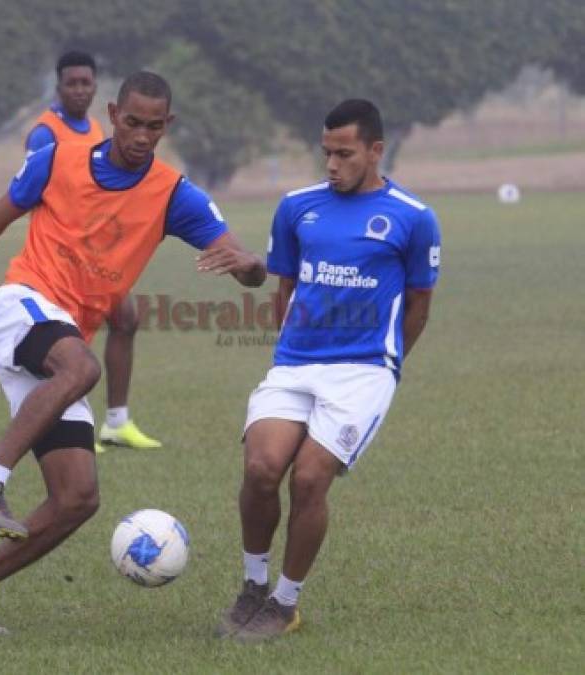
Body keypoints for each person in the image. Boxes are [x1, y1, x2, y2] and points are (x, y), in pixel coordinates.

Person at [0, 71, 266, 634]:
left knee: (78, 496)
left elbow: (245, 264)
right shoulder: (57, 159)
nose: (140, 135)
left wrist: (251, 267)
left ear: (167, 126)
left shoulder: (174, 195)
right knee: (82, 367)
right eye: (131, 122)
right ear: (114, 113)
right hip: (22, 304)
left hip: (61, 341)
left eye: (153, 127)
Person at [216, 99, 441, 643]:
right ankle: (253, 587)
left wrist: (384, 366)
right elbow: (284, 290)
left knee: (310, 477)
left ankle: (285, 604)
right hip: (295, 363)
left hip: (363, 371)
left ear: (375, 150)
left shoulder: (413, 218)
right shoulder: (296, 208)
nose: (333, 164)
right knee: (262, 469)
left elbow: (418, 306)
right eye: (327, 153)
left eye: (344, 153)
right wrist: (291, 347)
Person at [25, 50, 161, 453]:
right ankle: (68, 419)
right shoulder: (44, 133)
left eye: (87, 83)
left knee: (125, 318)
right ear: (59, 85)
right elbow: (34, 194)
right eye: (72, 83)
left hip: (102, 252)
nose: (80, 89)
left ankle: (117, 421)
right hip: (61, 257)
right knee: (68, 340)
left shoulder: (99, 127)